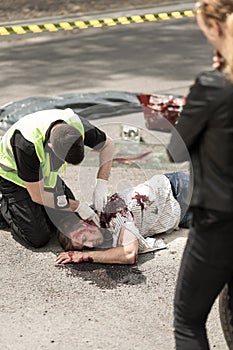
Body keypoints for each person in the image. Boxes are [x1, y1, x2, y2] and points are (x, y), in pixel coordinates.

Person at [167, 1, 233, 349]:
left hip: (220, 222)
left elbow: (176, 149)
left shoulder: (213, 86)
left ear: (215, 28)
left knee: (188, 321)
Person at [0, 108, 114, 248]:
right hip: (13, 178)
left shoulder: (78, 126)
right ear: (51, 146)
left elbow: (108, 144)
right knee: (38, 238)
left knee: (68, 218)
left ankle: (33, 209)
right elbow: (37, 196)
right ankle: (5, 204)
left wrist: (102, 183)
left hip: (46, 176)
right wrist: (77, 205)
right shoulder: (27, 144)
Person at [55, 171, 192, 265]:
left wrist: (84, 256)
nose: (90, 245)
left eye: (84, 238)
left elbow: (129, 254)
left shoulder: (110, 211)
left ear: (84, 223)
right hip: (181, 215)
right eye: (85, 247)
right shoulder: (102, 229)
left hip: (180, 191)